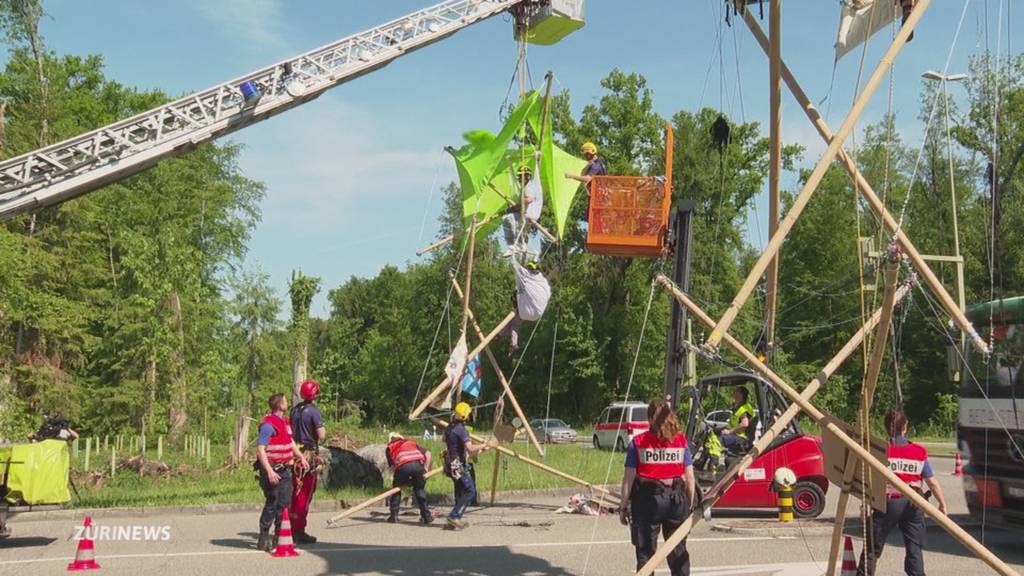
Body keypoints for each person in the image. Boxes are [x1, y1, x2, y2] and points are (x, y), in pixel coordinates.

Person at [857, 409, 947, 576]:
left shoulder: (880, 451)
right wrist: (942, 504)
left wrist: (866, 504)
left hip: (888, 502)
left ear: (885, 428)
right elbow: (932, 482)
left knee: (872, 548)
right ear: (905, 427)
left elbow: (871, 481)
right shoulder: (919, 451)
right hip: (914, 502)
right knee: (914, 549)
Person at [620, 398, 695, 576]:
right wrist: (690, 505)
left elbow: (628, 479)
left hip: (648, 502)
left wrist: (623, 507)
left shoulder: (638, 442)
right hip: (676, 500)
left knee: (646, 553)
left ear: (649, 418)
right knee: (678, 552)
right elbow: (690, 478)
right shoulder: (680, 440)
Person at [256, 393, 309, 552]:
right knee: (272, 502)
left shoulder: (284, 422)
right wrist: (269, 471)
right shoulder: (268, 425)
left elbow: (290, 442)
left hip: (285, 469)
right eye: (285, 401)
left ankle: (280, 535)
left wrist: (301, 457)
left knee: (284, 503)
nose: (287, 403)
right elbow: (260, 449)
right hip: (272, 469)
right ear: (280, 405)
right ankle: (264, 535)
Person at [289, 379, 326, 544]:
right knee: (305, 492)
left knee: (294, 490)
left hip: (294, 453)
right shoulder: (314, 411)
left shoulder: (294, 410)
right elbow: (321, 435)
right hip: (308, 454)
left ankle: (289, 526)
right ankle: (299, 529)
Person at [443, 402, 488, 531]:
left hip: (451, 463)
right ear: (465, 416)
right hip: (457, 464)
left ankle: (453, 521)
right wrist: (484, 444)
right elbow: (470, 447)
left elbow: (463, 450)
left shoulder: (450, 427)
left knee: (460, 490)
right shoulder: (461, 430)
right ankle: (454, 516)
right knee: (470, 490)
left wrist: (482, 449)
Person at [385, 433, 434, 524]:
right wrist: (426, 468)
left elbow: (392, 467)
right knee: (419, 490)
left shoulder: (390, 447)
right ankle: (427, 516)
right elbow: (428, 453)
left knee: (396, 489)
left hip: (403, 467)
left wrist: (399, 480)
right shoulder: (410, 442)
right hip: (418, 465)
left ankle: (393, 516)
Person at [717, 387, 756, 453]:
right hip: (736, 436)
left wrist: (730, 432)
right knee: (714, 435)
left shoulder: (744, 408)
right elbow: (735, 423)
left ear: (741, 395)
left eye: (736, 391)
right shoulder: (738, 407)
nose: (734, 392)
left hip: (741, 438)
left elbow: (745, 424)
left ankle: (713, 461)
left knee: (716, 441)